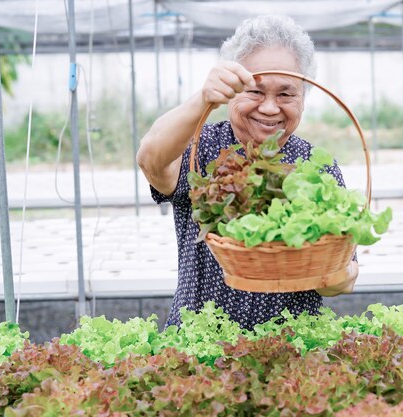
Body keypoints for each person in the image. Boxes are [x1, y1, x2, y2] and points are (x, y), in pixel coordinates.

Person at [137, 14, 358, 330]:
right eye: (255, 91)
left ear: (304, 96)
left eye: (286, 94)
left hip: (293, 352)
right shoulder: (204, 147)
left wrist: (325, 269)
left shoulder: (315, 165)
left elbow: (343, 280)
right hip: (202, 348)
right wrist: (203, 100)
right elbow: (151, 160)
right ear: (231, 91)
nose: (270, 108)